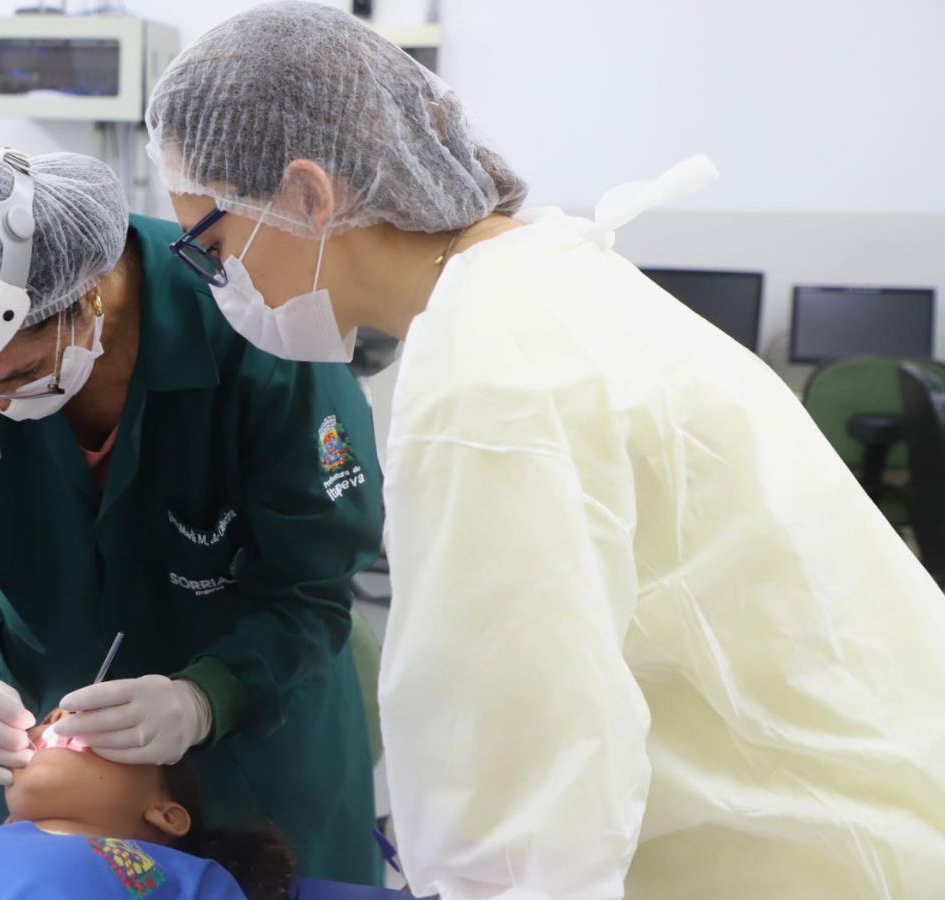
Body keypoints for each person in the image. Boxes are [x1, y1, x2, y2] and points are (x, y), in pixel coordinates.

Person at [144, 3, 945, 898]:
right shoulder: (551, 279)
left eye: (212, 246)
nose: (222, 284)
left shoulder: (491, 380)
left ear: (308, 195)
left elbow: (518, 793)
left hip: (804, 862)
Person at [0, 147, 385, 884]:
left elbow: (313, 585)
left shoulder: (257, 327)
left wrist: (207, 699)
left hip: (259, 733)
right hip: (39, 711)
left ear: (89, 293)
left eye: (15, 374)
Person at [0, 710, 296, 900]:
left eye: (103, 732)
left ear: (166, 815)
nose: (61, 717)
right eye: (47, 720)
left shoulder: (174, 874)